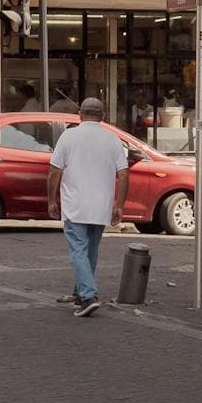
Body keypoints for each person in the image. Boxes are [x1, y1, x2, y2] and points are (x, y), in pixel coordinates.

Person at [47, 97, 130, 318]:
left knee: (78, 251)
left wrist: (51, 200)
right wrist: (119, 205)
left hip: (75, 204)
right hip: (101, 205)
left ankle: (88, 295)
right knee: (90, 252)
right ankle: (80, 295)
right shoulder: (113, 139)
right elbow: (123, 173)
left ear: (80, 115)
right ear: (102, 116)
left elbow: (55, 170)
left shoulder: (69, 136)